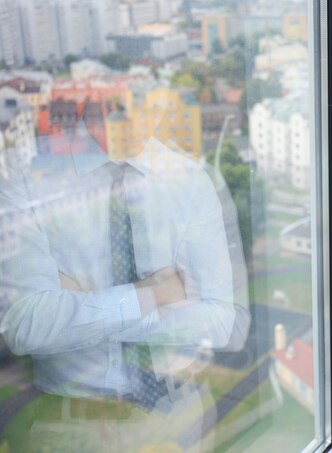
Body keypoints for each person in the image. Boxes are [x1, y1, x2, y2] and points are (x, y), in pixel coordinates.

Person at [0, 101, 249, 452]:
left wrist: (93, 302)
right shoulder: (29, 181)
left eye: (147, 99)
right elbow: (27, 325)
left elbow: (223, 322)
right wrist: (153, 295)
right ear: (91, 103)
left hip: (177, 416)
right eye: (119, 103)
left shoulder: (189, 179)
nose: (136, 112)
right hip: (70, 428)